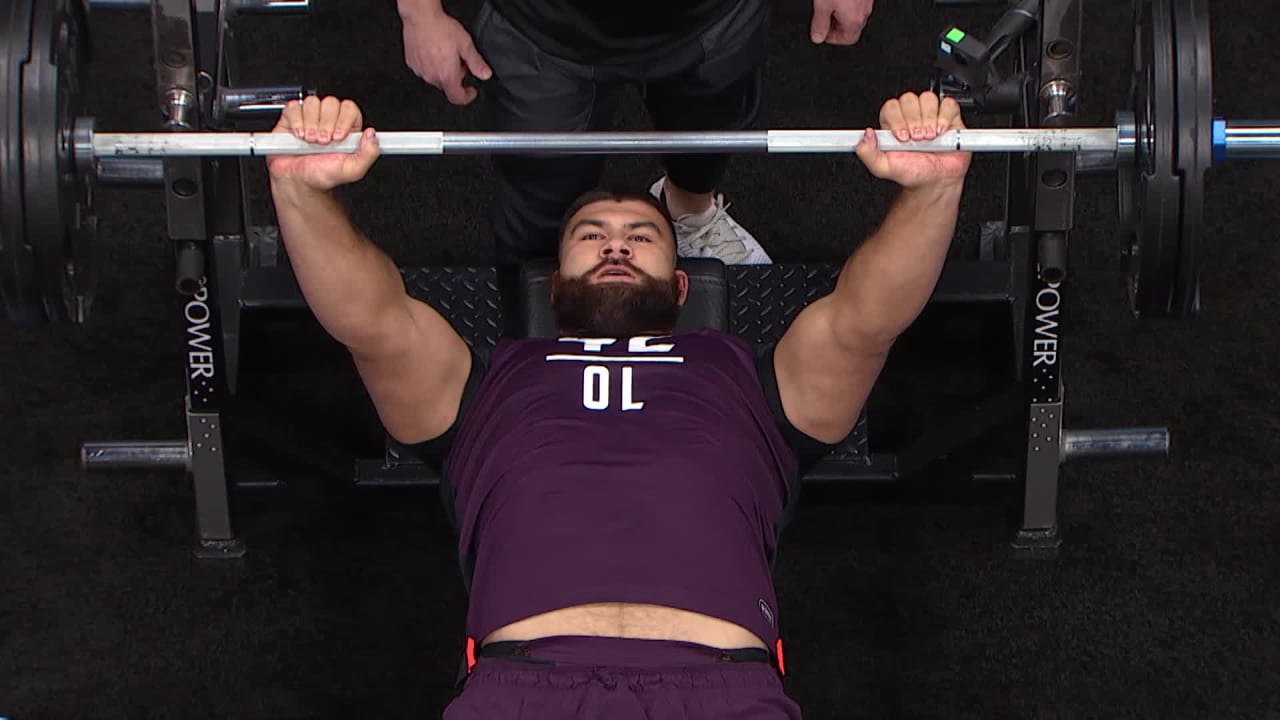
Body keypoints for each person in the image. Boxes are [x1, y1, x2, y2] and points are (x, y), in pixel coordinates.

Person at [267, 91, 969, 719]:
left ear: (683, 285)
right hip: (523, 688)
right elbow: (373, 320)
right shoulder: (482, 383)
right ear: (553, 283)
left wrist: (934, 188)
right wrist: (299, 190)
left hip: (723, 689)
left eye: (642, 236)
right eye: (590, 235)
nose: (615, 245)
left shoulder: (754, 381)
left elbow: (865, 320)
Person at [395, 0, 876, 271]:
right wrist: (419, 12)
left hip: (714, 17)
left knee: (708, 140)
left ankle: (691, 215)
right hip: (541, 30)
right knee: (540, 194)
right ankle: (545, 289)